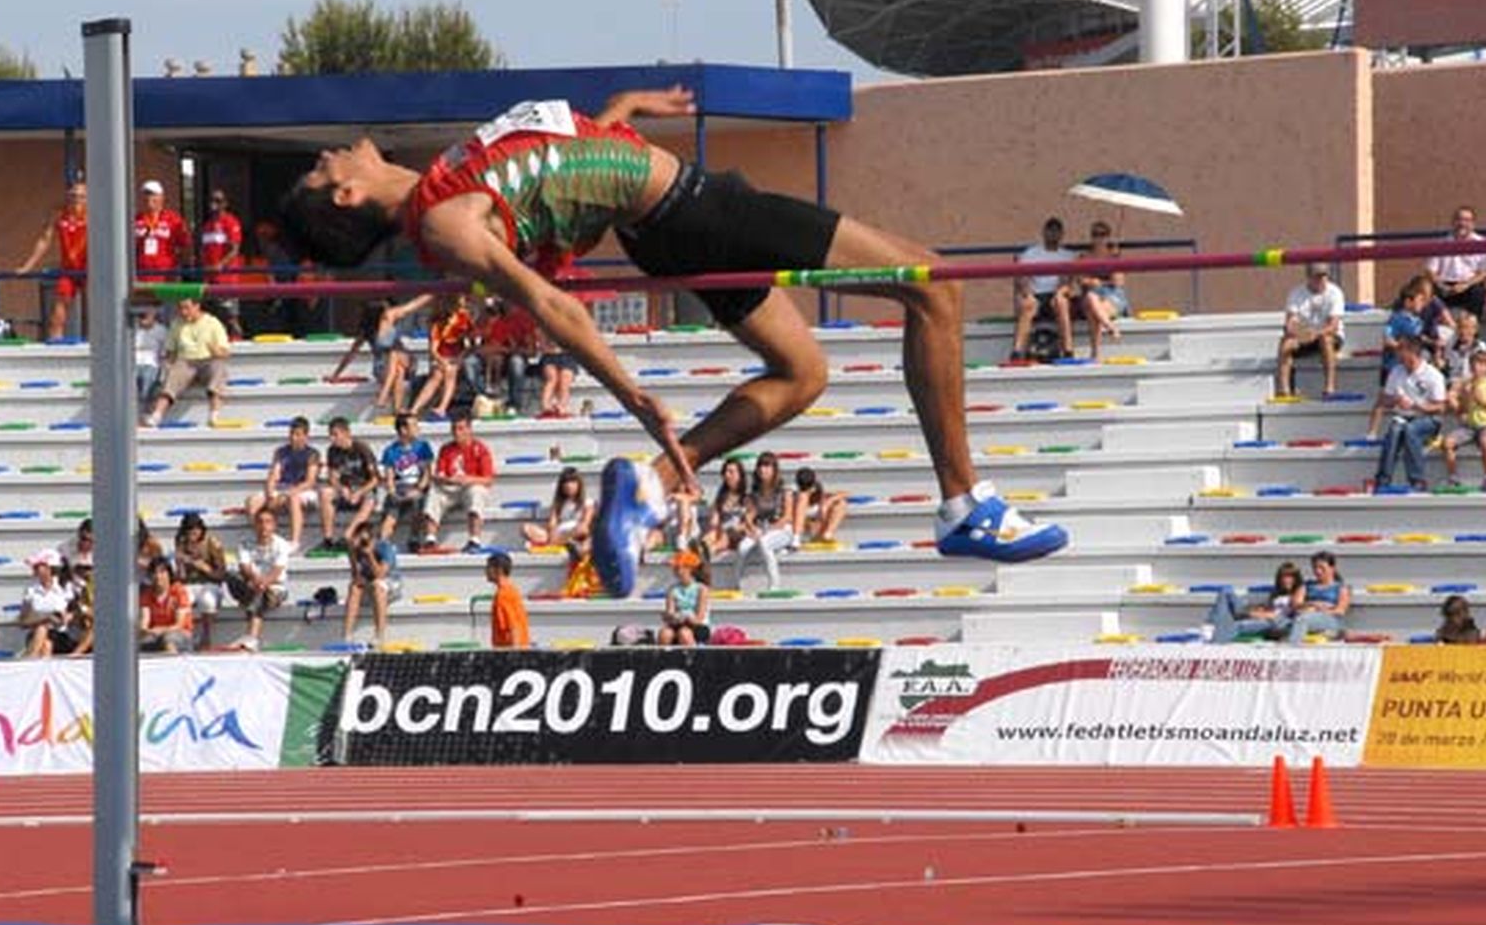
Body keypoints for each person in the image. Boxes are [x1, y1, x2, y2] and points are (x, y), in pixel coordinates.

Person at [278, 87, 1067, 598]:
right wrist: (634, 395)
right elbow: (551, 302)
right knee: (933, 285)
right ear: (349, 195)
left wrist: (621, 112)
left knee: (802, 373)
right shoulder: (445, 222)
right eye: (322, 172)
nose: (328, 154)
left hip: (669, 218)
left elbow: (556, 174)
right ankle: (965, 505)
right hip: (691, 212)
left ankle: (651, 490)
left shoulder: (446, 177)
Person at [328, 295, 433, 415]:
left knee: (395, 355)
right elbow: (351, 354)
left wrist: (431, 294)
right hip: (384, 367)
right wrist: (336, 374)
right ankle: (397, 409)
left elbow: (413, 306)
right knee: (398, 368)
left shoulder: (388, 318)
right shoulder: (374, 326)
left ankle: (384, 394)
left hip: (405, 361)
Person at [15, 180, 88, 341]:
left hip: (89, 270)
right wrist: (28, 266)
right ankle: (56, 345)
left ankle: (97, 344)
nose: (77, 200)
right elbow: (44, 240)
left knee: (94, 308)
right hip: (69, 271)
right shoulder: (59, 214)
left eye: (82, 196)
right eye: (73, 196)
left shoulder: (93, 215)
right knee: (58, 309)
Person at [143, 296, 232, 427]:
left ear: (197, 306)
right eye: (181, 308)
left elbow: (225, 352)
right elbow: (171, 351)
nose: (184, 312)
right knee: (173, 374)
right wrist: (168, 364)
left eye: (187, 308)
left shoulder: (213, 323)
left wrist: (215, 350)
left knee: (219, 368)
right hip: (185, 362)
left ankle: (214, 414)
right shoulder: (177, 324)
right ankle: (157, 415)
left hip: (208, 361)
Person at [1374, 336, 1448, 492]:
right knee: (1394, 431)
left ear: (1412, 353)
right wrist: (1395, 400)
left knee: (1411, 430)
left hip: (1429, 419)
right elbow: (1384, 400)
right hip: (1403, 416)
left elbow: (1440, 407)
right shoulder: (1396, 371)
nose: (1398, 355)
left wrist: (1416, 406)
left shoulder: (1432, 375)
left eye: (1401, 351)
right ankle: (1383, 480)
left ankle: (1417, 480)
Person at [245, 415, 322, 552]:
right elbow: (273, 475)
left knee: (293, 498)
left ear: (306, 436)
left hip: (304, 491)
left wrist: (288, 493)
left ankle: (294, 542)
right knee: (252, 501)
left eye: (298, 434)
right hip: (283, 488)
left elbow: (310, 481)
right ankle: (263, 538)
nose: (293, 438)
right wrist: (269, 495)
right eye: (292, 433)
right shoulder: (281, 452)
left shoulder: (313, 454)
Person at [1367, 278, 1429, 438]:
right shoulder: (1397, 318)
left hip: (1409, 367)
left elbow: (1418, 339)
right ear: (1408, 302)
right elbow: (1387, 338)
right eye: (1419, 300)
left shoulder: (1418, 321)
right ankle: (1371, 431)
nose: (1422, 304)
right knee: (1383, 399)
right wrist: (1402, 349)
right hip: (1392, 364)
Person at [423, 412, 494, 551]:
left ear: (469, 429)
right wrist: (447, 479)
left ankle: (475, 539)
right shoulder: (446, 449)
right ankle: (430, 539)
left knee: (477, 491)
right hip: (450, 487)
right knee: (434, 491)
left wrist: (468, 479)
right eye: (454, 428)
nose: (457, 432)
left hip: (470, 487)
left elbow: (488, 479)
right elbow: (438, 474)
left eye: (461, 428)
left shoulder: (480, 449)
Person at [1011, 217, 1077, 361]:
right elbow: (1021, 277)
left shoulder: (1068, 255)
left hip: (1056, 294)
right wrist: (1027, 293)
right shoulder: (1031, 253)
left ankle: (1068, 350)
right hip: (1036, 294)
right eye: (1050, 230)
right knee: (1028, 304)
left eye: (1056, 230)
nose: (1053, 233)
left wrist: (1059, 293)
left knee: (1061, 303)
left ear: (1061, 234)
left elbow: (1068, 282)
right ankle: (1016, 352)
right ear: (1044, 232)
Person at [1274, 262, 1345, 398]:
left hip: (1328, 335)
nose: (1321, 280)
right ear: (1309, 277)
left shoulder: (1335, 292)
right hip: (1305, 336)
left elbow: (1333, 325)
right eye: (1317, 276)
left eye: (1324, 276)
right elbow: (1290, 323)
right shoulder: (1296, 293)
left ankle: (1329, 387)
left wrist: (1315, 334)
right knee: (1286, 344)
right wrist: (1301, 334)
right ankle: (1284, 390)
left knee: (1326, 340)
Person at [226, 509, 291, 652]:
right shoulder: (245, 543)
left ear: (274, 525)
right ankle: (249, 603)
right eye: (260, 522)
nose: (264, 526)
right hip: (253, 583)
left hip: (276, 589)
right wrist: (256, 580)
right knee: (231, 575)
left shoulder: (282, 545)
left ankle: (252, 637)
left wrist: (262, 583)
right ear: (255, 525)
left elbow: (276, 571)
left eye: (268, 522)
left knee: (260, 594)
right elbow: (244, 567)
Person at [1441, 349, 1486, 491]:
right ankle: (1453, 478)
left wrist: (1481, 401)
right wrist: (1464, 399)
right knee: (1447, 443)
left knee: (1485, 441)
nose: (1477, 367)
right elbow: (1460, 410)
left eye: (1481, 364)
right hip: (1469, 426)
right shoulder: (1466, 384)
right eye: (1474, 364)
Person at [318, 416, 381, 550]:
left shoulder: (362, 448)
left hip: (364, 489)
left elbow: (375, 479)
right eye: (331, 435)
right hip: (346, 490)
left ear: (346, 433)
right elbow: (332, 477)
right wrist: (341, 488)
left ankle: (348, 534)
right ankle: (328, 538)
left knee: (370, 499)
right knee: (325, 493)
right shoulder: (332, 451)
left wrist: (359, 492)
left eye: (335, 435)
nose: (332, 438)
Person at [734, 451, 796, 589]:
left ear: (775, 469)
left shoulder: (785, 490)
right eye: (760, 466)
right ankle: (736, 584)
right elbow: (749, 516)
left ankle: (774, 584)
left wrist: (766, 530)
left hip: (781, 529)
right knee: (742, 548)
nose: (763, 470)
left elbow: (787, 516)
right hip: (760, 528)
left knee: (765, 542)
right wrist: (751, 529)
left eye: (767, 466)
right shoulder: (754, 492)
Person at [1426, 205, 1486, 321]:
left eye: (1467, 220)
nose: (1462, 223)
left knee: (1479, 291)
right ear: (1453, 222)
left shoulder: (1482, 243)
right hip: (1445, 286)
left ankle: (1473, 328)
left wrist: (1466, 285)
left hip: (1469, 286)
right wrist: (1442, 286)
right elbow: (1429, 270)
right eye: (1459, 219)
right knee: (1425, 289)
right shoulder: (1442, 243)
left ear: (1473, 224)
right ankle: (1432, 330)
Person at [1205, 561, 1302, 643]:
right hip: (1265, 617)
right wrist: (1260, 610)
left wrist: (1261, 614)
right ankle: (1212, 626)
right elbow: (1271, 609)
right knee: (1225, 592)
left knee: (1239, 624)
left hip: (1278, 622)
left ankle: (1216, 642)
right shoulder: (1276, 594)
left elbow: (1288, 613)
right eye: (1283, 577)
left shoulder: (1299, 592)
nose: (1286, 580)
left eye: (1290, 577)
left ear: (1296, 579)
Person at [411, 294, 475, 417]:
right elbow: (434, 350)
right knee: (437, 375)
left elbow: (470, 345)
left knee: (450, 370)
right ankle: (415, 408)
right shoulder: (438, 324)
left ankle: (442, 407)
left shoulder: (464, 319)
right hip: (441, 357)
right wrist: (442, 361)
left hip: (459, 356)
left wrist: (460, 357)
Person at [377, 412, 434, 550]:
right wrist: (392, 492)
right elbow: (389, 476)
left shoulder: (423, 447)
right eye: (414, 426)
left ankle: (414, 537)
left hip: (416, 486)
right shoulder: (390, 451)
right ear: (403, 430)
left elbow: (427, 474)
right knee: (391, 511)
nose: (418, 428)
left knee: (418, 501)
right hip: (399, 487)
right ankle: (382, 542)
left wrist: (418, 489)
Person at [172, 512, 227, 650]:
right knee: (181, 599)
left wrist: (204, 568)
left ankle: (206, 638)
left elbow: (221, 574)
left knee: (207, 600)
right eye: (189, 529)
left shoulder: (212, 543)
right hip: (190, 584)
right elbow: (181, 578)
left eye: (196, 529)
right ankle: (184, 638)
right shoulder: (181, 542)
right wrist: (180, 565)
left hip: (211, 583)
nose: (193, 532)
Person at [18, 548, 84, 657]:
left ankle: (29, 661)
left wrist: (67, 617)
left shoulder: (67, 588)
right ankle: (32, 662)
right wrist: (45, 619)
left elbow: (77, 614)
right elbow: (23, 622)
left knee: (46, 640)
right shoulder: (31, 591)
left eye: (38, 566)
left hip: (61, 635)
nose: (34, 569)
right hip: (37, 634)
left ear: (49, 568)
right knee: (45, 639)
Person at [343, 523, 401, 646]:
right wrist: (352, 554)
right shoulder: (357, 549)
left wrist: (370, 555)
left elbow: (381, 574)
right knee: (354, 587)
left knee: (378, 585)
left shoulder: (386, 548)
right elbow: (356, 576)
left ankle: (379, 635)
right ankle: (347, 635)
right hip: (371, 583)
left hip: (390, 582)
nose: (363, 543)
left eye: (365, 540)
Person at [199, 188, 245, 338]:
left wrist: (221, 265)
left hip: (227, 279)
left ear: (225, 204)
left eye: (218, 201)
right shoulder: (206, 226)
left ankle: (238, 345)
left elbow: (234, 250)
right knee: (212, 318)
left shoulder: (231, 222)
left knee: (231, 317)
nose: (214, 204)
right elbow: (203, 251)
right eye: (212, 200)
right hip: (210, 280)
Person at [1078, 221, 1127, 360]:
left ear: (1108, 237)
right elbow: (1080, 280)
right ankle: (1110, 327)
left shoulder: (1114, 256)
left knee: (1093, 309)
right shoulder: (1084, 257)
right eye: (1096, 235)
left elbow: (1119, 282)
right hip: (1092, 295)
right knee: (1091, 298)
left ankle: (1095, 352)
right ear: (1091, 237)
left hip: (1112, 295)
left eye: (1103, 235)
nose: (1099, 238)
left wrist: (1115, 263)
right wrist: (1091, 281)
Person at [521, 465, 594, 553]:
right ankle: (563, 543)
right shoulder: (558, 503)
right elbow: (552, 524)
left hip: (575, 533)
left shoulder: (588, 502)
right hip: (558, 532)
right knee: (525, 528)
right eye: (566, 482)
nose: (569, 486)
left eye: (572, 482)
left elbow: (585, 524)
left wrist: (566, 535)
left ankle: (559, 543)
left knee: (583, 530)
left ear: (579, 484)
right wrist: (553, 533)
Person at [133, 179, 191, 281]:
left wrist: (178, 268)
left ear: (161, 197)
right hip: (141, 276)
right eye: (146, 194)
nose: (148, 197)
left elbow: (186, 246)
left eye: (152, 194)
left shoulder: (173, 219)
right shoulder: (136, 220)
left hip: (166, 276)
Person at [1288, 550, 1351, 644]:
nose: (1318, 571)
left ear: (1332, 568)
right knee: (1281, 622)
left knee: (1303, 619)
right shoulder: (1306, 585)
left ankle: (1292, 650)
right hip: (1307, 614)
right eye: (1315, 567)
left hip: (1330, 619)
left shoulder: (1341, 587)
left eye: (1322, 568)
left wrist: (1319, 610)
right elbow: (1295, 604)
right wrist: (1313, 604)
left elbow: (1340, 611)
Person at [138, 556, 194, 654]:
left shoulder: (178, 591)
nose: (158, 576)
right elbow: (144, 623)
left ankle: (173, 666)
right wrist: (147, 631)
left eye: (162, 572)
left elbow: (179, 624)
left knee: (169, 640)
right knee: (140, 644)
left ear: (169, 574)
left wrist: (160, 630)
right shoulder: (147, 594)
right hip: (155, 634)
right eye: (154, 572)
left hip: (180, 634)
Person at [660, 549, 711, 646]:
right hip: (678, 624)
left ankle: (693, 659)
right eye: (675, 568)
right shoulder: (673, 590)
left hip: (697, 626)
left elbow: (699, 618)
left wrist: (686, 617)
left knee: (684, 633)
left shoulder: (701, 589)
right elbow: (670, 611)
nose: (677, 572)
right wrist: (670, 616)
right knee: (664, 634)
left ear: (690, 569)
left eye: (680, 568)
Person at [703, 458, 750, 559]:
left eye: (731, 472)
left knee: (724, 536)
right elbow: (714, 522)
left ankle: (707, 554)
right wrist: (714, 522)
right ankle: (701, 553)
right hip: (722, 532)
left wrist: (731, 529)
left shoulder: (747, 497)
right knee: (708, 537)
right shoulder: (721, 497)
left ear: (740, 475)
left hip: (738, 533)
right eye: (725, 472)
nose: (727, 475)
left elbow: (749, 523)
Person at [793, 466, 848, 544]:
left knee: (841, 503)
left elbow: (845, 493)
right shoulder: (796, 495)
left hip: (819, 526)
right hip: (804, 528)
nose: (809, 491)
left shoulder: (818, 492)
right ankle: (796, 538)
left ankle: (828, 534)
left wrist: (827, 502)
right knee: (803, 497)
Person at [486, 551, 530, 649]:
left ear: (499, 570)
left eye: (489, 567)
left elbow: (513, 627)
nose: (486, 571)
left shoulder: (504, 594)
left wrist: (514, 656)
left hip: (508, 651)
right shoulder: (511, 590)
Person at [537, 325, 579, 418]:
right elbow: (542, 345)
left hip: (567, 355)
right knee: (552, 378)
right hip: (549, 356)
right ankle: (546, 405)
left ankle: (562, 405)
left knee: (565, 380)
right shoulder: (545, 326)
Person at [133, 308, 168, 405]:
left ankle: (144, 407)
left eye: (146, 316)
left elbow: (164, 351)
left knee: (148, 380)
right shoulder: (132, 329)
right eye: (141, 317)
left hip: (152, 362)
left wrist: (163, 365)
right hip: (134, 361)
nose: (143, 320)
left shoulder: (161, 330)